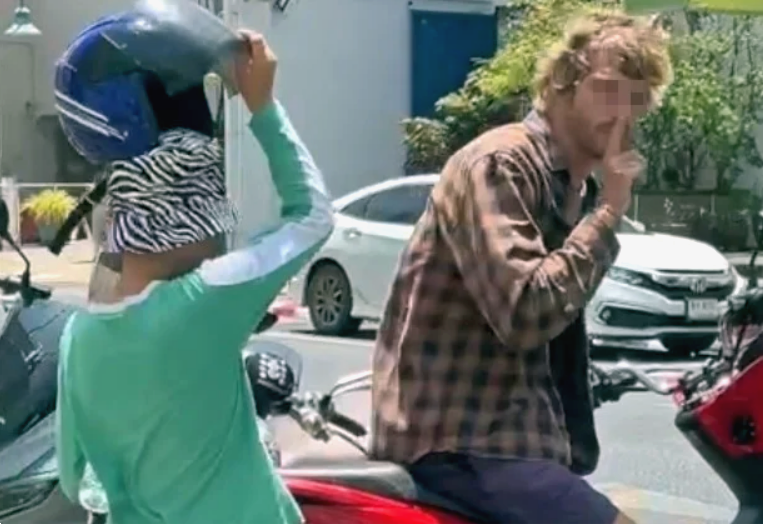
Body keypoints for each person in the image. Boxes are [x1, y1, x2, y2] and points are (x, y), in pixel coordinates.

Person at [370, 9, 672, 524]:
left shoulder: (573, 189)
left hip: (512, 443)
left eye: (638, 98)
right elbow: (524, 311)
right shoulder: (502, 163)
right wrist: (609, 214)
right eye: (608, 90)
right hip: (461, 439)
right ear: (562, 83)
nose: (623, 112)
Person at [54, 20, 333, 524]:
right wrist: (263, 107)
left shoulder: (79, 337)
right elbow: (312, 217)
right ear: (196, 218)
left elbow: (76, 480)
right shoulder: (202, 301)